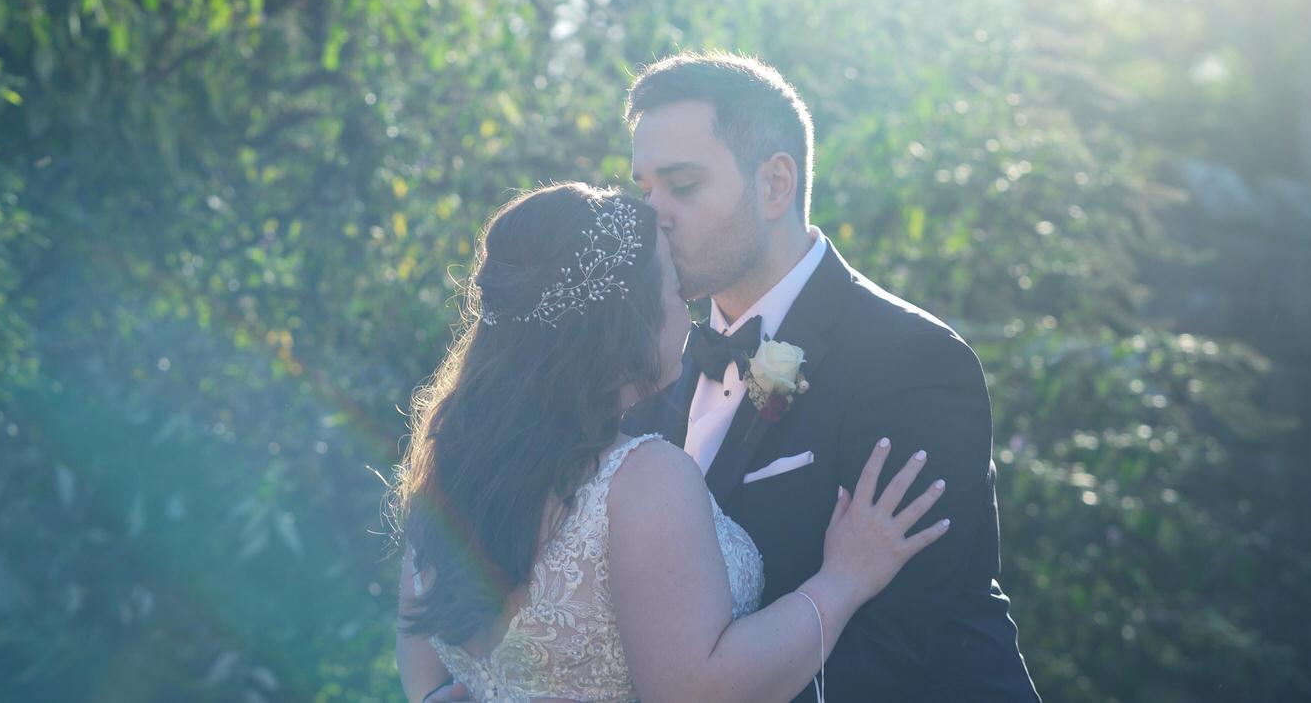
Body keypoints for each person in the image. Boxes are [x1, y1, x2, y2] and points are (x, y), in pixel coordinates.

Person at [392, 182, 950, 702]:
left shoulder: (450, 462)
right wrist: (844, 580)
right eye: (674, 292)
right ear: (625, 323)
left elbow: (426, 674)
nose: (688, 313)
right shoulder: (643, 477)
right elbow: (700, 690)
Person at [622, 52, 1040, 701]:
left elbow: (904, 638)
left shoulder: (914, 364)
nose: (654, 215)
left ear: (775, 185)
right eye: (643, 189)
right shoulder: (647, 376)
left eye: (682, 186)